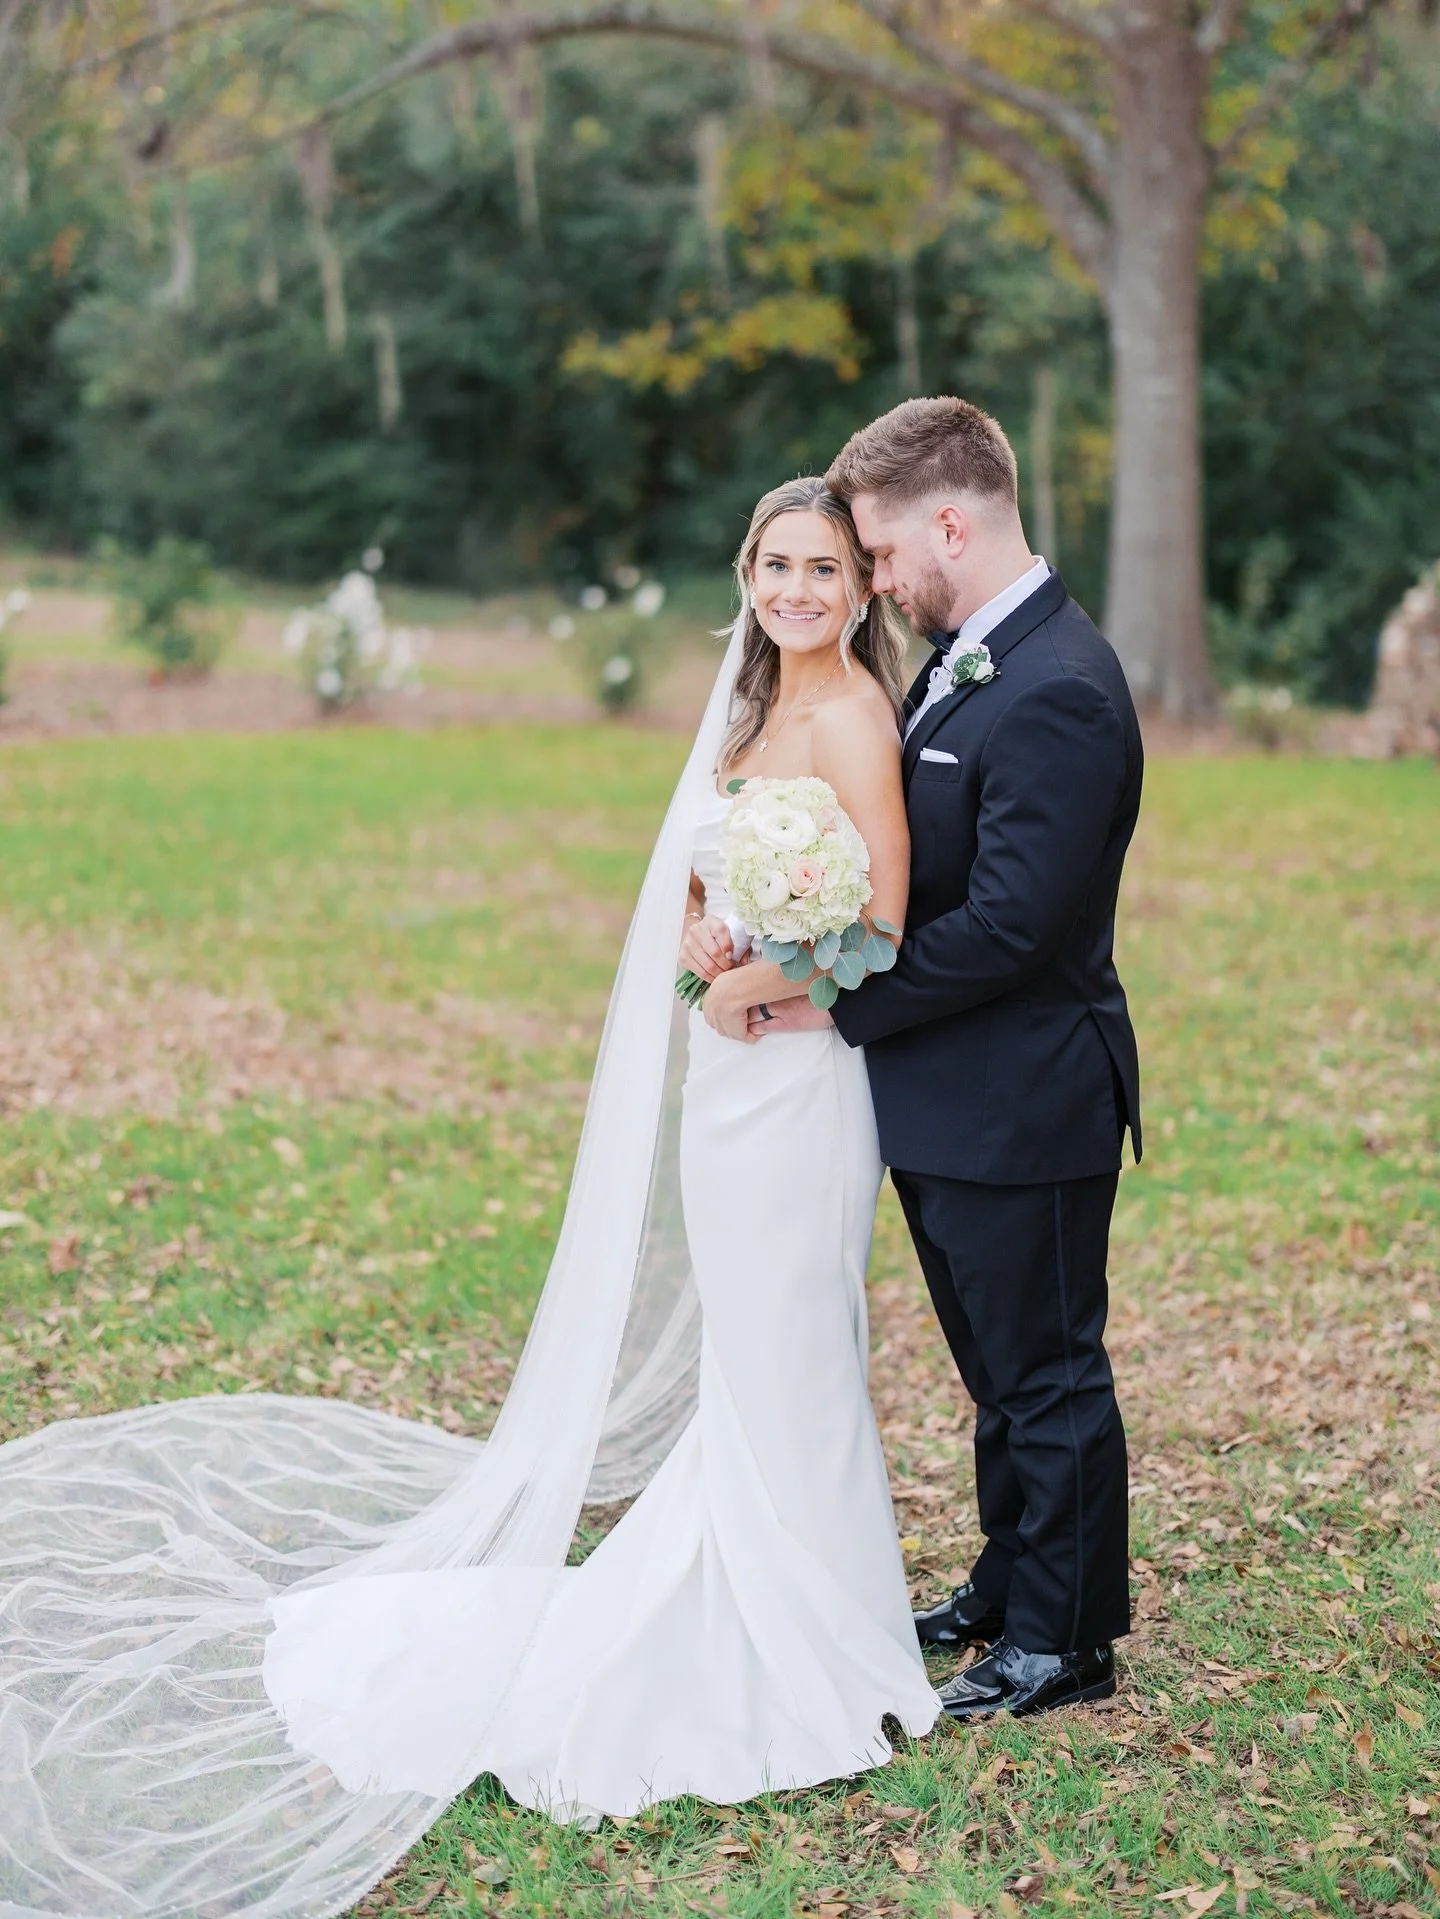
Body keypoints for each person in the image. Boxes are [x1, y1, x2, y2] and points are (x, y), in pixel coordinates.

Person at [0, 476, 939, 1918]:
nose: (799, 589)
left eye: (823, 567)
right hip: (730, 1080)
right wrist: (712, 936)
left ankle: (820, 1620)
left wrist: (754, 978)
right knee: (752, 1360)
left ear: (862, 589)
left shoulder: (857, 717)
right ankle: (768, 1605)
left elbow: (879, 918)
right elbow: (720, 887)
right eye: (777, 564)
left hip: (805, 1091)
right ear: (747, 574)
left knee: (803, 1348)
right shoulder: (747, 716)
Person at [757, 397, 1144, 1721]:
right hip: (951, 1097)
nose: (872, 580)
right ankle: (1006, 1578)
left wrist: (834, 996)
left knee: (1046, 1371)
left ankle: (1065, 1635)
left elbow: (1015, 928)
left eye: (876, 552)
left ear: (951, 520)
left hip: (1027, 1094)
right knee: (995, 1370)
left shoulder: (1063, 685)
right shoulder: (974, 655)